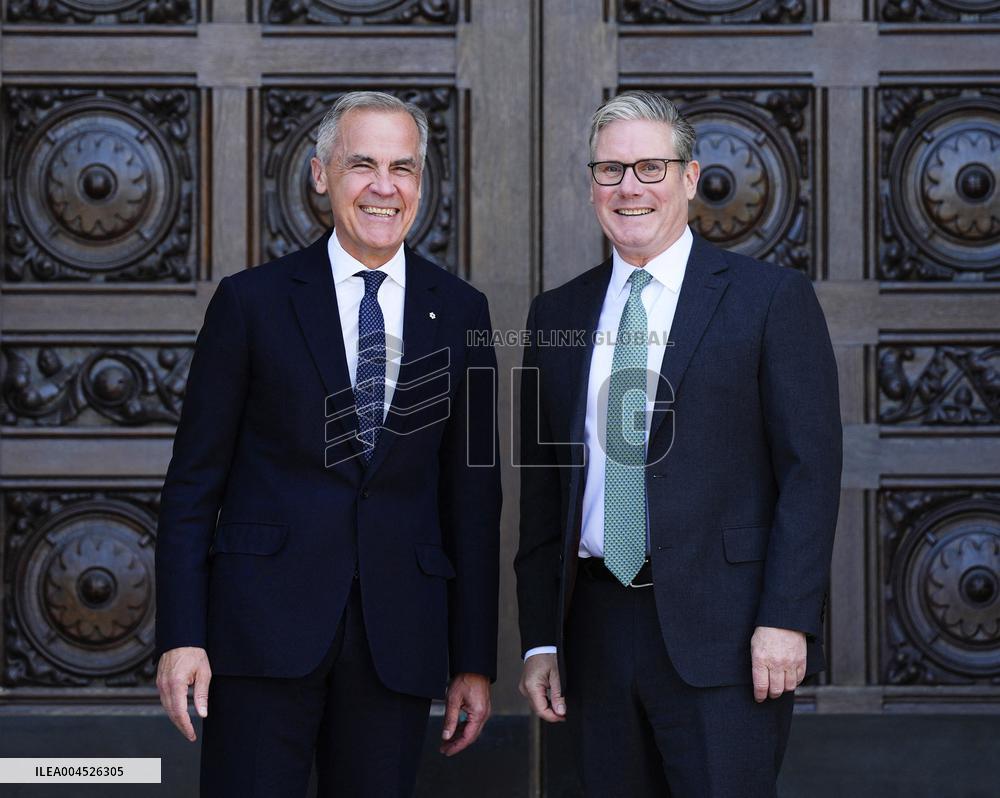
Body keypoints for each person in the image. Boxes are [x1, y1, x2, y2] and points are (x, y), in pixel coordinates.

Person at [155, 90, 501, 798]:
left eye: (402, 168)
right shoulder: (251, 302)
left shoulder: (461, 311)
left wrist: (473, 658)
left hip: (396, 638)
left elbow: (472, 497)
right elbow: (193, 485)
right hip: (258, 635)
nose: (384, 186)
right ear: (320, 174)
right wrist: (182, 635)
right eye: (361, 164)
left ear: (420, 183)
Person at [515, 90, 842, 797]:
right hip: (594, 631)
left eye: (649, 168)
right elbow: (545, 489)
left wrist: (786, 617)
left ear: (690, 179)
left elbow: (810, 471)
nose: (629, 187)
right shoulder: (557, 313)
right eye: (610, 171)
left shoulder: (769, 299)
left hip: (726, 635)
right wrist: (541, 637)